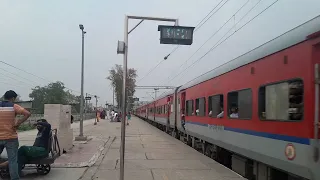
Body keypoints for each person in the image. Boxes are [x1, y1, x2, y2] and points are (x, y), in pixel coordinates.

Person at [0, 90, 31, 180]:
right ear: (13, 98)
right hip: (11, 137)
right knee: (13, 160)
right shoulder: (14, 106)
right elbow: (27, 114)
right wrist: (18, 123)